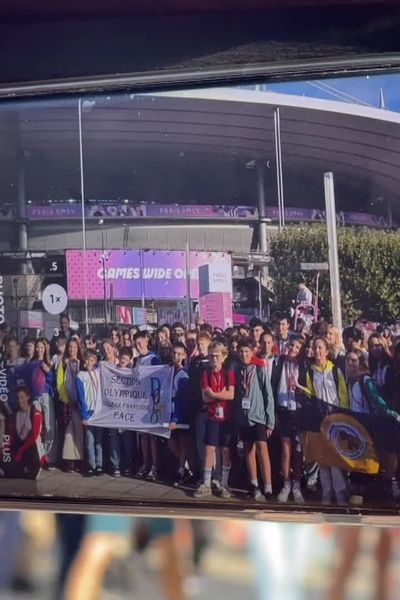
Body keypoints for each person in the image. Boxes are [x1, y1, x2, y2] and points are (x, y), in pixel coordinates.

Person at [346, 348, 400, 500]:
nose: (351, 363)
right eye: (348, 360)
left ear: (361, 363)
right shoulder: (348, 381)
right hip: (355, 432)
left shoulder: (366, 381)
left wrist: (393, 414)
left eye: (354, 360)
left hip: (368, 432)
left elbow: (378, 402)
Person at [194, 341, 236, 499]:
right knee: (210, 449)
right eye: (211, 356)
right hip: (212, 416)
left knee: (225, 450)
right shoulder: (206, 373)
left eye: (217, 356)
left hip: (226, 417)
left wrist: (214, 394)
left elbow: (231, 395)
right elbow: (205, 397)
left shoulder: (228, 373)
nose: (214, 359)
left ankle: (224, 484)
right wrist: (218, 394)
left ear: (224, 357)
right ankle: (206, 483)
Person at [236, 338, 275, 501]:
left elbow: (268, 394)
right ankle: (254, 484)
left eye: (247, 352)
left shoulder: (259, 369)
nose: (244, 355)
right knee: (248, 451)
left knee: (262, 450)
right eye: (242, 352)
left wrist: (270, 419)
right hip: (244, 418)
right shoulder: (238, 370)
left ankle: (268, 487)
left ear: (252, 353)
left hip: (259, 416)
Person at [273, 335, 307, 504]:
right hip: (283, 409)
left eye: (297, 347)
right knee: (286, 450)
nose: (293, 349)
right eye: (291, 345)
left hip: (299, 412)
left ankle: (297, 485)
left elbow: (307, 390)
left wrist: (298, 388)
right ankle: (286, 484)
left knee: (298, 451)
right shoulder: (279, 362)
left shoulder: (303, 365)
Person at [134, 332, 161, 480]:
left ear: (146, 342)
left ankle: (155, 466)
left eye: (140, 343)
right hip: (140, 401)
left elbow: (158, 378)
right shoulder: (137, 360)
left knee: (152, 436)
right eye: (136, 344)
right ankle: (145, 463)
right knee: (143, 435)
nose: (138, 347)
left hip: (151, 401)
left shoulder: (153, 358)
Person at [3, 385, 45, 479]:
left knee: (31, 473)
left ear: (28, 397)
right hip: (19, 446)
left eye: (22, 397)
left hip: (32, 447)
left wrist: (21, 451)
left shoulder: (35, 413)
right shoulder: (15, 415)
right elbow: (11, 436)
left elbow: (34, 436)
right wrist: (4, 451)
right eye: (18, 397)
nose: (19, 400)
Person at [57, 339, 85, 473]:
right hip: (68, 403)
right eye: (70, 347)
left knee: (79, 433)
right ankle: (70, 461)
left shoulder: (82, 363)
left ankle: (80, 460)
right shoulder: (63, 364)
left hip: (80, 404)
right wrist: (67, 400)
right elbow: (60, 383)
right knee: (69, 434)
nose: (72, 349)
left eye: (74, 347)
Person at [188, 331, 212, 483]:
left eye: (203, 344)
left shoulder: (212, 361)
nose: (201, 347)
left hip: (210, 407)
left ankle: (212, 475)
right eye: (199, 344)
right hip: (197, 406)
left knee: (210, 444)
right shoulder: (195, 361)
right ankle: (201, 473)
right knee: (199, 443)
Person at [109, 346, 136, 477]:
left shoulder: (133, 374)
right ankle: (116, 465)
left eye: (125, 360)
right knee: (114, 441)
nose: (123, 361)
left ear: (130, 360)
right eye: (121, 359)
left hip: (127, 413)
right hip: (114, 412)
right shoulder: (112, 372)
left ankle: (128, 464)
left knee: (127, 441)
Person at [77, 350, 103, 477]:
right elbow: (81, 396)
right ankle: (91, 465)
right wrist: (84, 414)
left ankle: (99, 464)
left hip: (98, 411)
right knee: (90, 439)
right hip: (88, 411)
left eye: (92, 360)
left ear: (96, 362)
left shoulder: (98, 374)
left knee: (99, 439)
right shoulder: (80, 375)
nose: (89, 362)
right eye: (87, 360)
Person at [169, 343, 191, 486]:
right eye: (174, 353)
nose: (176, 356)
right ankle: (186, 465)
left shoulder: (184, 374)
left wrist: (176, 418)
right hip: (169, 412)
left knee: (182, 442)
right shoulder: (169, 371)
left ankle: (182, 469)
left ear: (184, 355)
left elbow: (182, 399)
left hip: (180, 413)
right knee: (171, 442)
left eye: (179, 354)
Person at [368, 332, 392, 399]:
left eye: (377, 345)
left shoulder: (390, 366)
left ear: (383, 346)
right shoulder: (373, 365)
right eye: (371, 346)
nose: (373, 349)